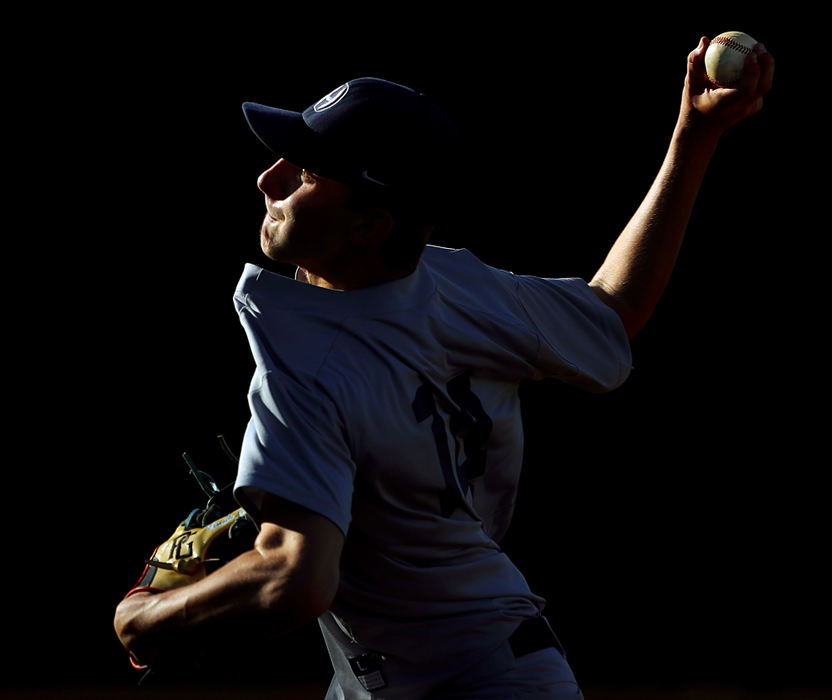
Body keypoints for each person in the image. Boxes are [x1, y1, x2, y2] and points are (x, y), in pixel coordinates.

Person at [115, 37, 774, 699]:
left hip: (467, 678)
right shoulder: (453, 285)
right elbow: (612, 310)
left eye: (307, 170)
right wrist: (696, 134)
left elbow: (294, 580)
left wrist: (148, 620)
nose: (269, 178)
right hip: (475, 669)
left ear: (368, 226)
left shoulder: (306, 364)